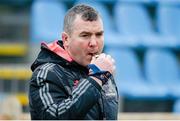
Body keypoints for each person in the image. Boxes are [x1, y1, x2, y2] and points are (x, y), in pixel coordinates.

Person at [29, 4, 119, 120]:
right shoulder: (47, 73)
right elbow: (54, 117)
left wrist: (98, 77)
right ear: (66, 39)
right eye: (85, 35)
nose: (93, 43)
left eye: (99, 35)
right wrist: (96, 79)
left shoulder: (103, 72)